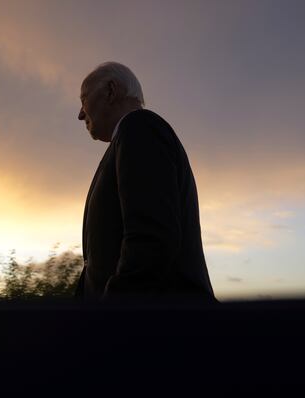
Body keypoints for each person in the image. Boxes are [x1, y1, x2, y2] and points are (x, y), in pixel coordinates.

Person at [74, 61, 216, 304]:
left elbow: (151, 239)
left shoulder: (138, 128)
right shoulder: (126, 140)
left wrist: (109, 315)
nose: (80, 114)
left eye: (84, 98)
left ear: (110, 91)